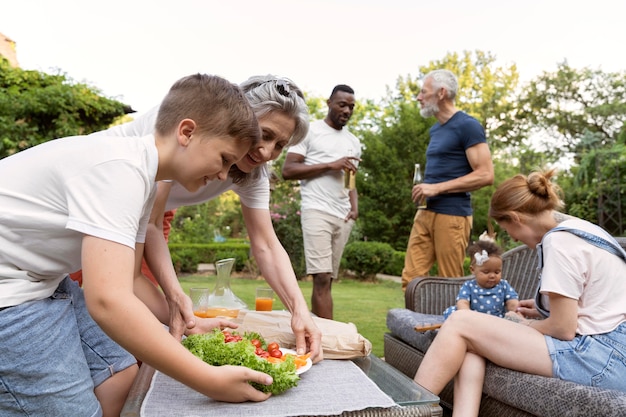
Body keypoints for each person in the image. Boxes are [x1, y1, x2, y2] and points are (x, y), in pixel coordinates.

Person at [0, 74, 277, 417]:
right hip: (10, 296)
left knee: (122, 379)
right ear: (187, 132)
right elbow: (107, 301)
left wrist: (187, 325)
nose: (224, 176)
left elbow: (129, 281)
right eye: (223, 158)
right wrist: (208, 379)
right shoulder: (119, 171)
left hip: (42, 281)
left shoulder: (144, 177)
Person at [81, 75, 323, 361]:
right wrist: (175, 296)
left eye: (280, 145)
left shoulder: (254, 171)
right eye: (265, 134)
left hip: (151, 214)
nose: (268, 152)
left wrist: (299, 311)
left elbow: (266, 245)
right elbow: (150, 224)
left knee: (139, 310)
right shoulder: (185, 121)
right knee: (102, 300)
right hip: (98, 199)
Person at [414, 170, 626, 416]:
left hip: (602, 358)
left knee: (460, 322)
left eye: (509, 231)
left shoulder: (558, 242)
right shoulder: (583, 229)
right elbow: (600, 299)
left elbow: (563, 328)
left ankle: (409, 411)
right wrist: (542, 309)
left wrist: (522, 323)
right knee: (471, 343)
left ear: (516, 218)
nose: (514, 238)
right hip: (614, 351)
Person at [402, 69, 494, 291]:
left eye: (423, 92)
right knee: (411, 281)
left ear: (441, 93)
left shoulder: (467, 125)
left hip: (452, 215)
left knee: (449, 282)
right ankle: (412, 325)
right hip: (425, 212)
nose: (418, 97)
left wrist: (437, 188)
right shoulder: (436, 130)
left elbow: (486, 174)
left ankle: (456, 326)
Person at [281, 84, 361, 320]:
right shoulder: (309, 131)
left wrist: (354, 208)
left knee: (329, 280)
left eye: (351, 107)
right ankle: (324, 337)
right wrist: (330, 164)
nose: (347, 110)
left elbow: (351, 179)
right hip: (316, 210)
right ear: (329, 103)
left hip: (343, 215)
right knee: (322, 277)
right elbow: (288, 170)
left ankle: (321, 332)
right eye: (342, 104)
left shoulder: (353, 141)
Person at [442, 239, 519, 319]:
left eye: (497, 272)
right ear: (473, 270)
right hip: (474, 320)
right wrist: (466, 314)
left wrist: (515, 311)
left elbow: (512, 302)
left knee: (512, 317)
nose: (492, 276)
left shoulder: (503, 285)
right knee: (454, 313)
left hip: (497, 320)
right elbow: (463, 302)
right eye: (486, 272)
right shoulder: (469, 286)